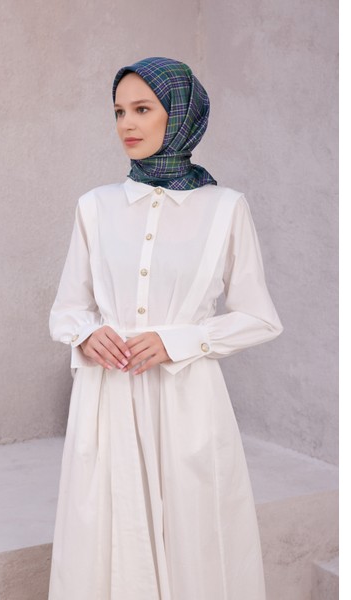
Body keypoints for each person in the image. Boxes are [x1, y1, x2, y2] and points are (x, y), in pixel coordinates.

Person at [48, 56, 283, 600]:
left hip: (187, 401)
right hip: (107, 398)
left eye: (142, 109)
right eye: (118, 111)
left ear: (179, 115)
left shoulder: (225, 208)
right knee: (105, 535)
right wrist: (86, 334)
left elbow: (260, 317)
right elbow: (66, 310)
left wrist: (180, 340)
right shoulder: (94, 207)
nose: (126, 124)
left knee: (194, 538)